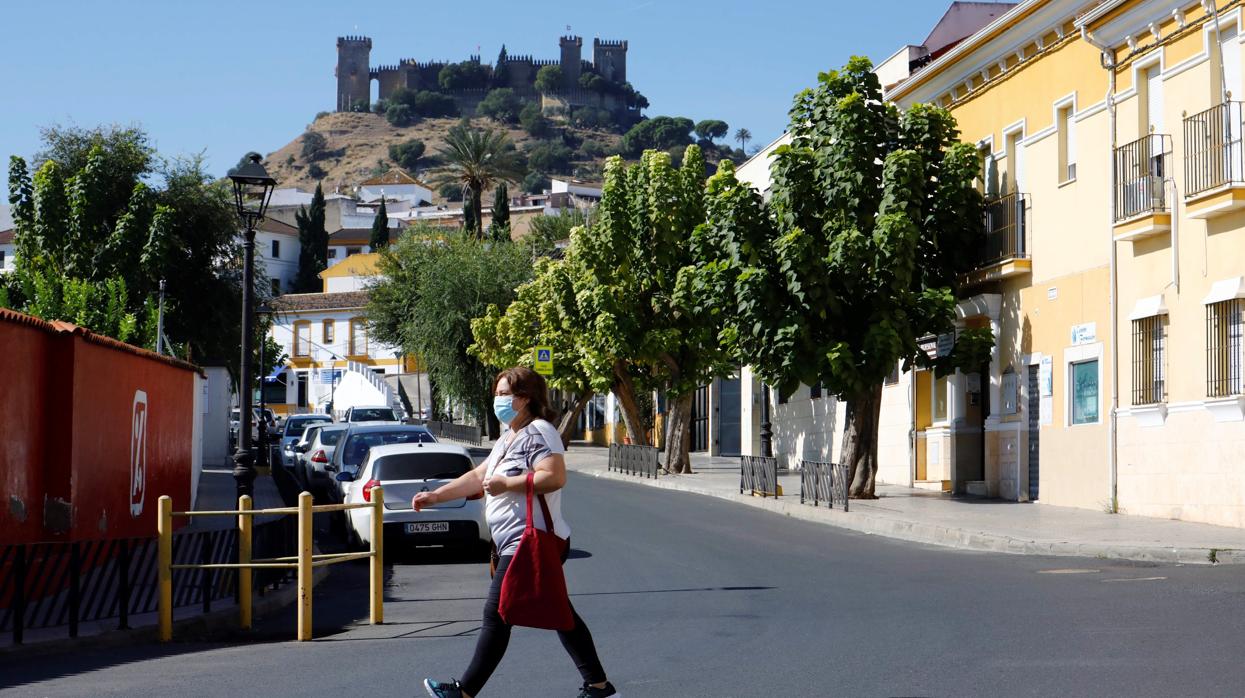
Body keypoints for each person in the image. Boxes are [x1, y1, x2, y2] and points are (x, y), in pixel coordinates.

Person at [417, 367, 617, 698]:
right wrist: (437, 495)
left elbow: (554, 477)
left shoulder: (539, 431)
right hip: (514, 541)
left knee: (496, 613)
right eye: (496, 394)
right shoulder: (510, 435)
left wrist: (506, 484)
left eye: (502, 395)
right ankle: (600, 686)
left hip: (530, 540)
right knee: (559, 611)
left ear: (523, 399)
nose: (497, 400)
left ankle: (464, 692)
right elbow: (479, 476)